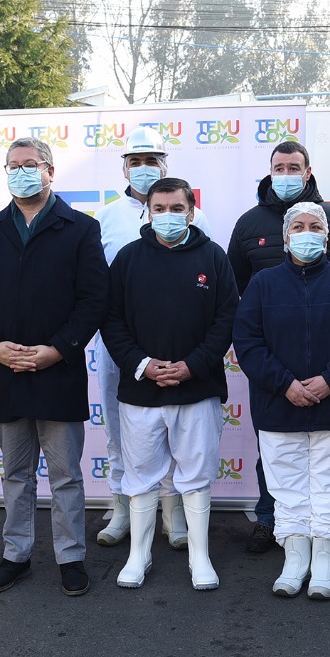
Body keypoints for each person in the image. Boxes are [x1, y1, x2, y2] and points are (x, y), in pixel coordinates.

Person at [0, 137, 108, 597]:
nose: (21, 171)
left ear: (49, 170)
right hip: (6, 370)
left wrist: (58, 349)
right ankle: (16, 554)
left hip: (58, 371)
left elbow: (93, 300)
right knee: (16, 472)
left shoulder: (80, 228)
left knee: (65, 474)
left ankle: (71, 557)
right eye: (13, 165)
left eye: (31, 164)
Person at [233, 203, 330, 599]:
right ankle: (295, 561)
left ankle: (326, 563)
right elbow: (248, 342)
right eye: (298, 226)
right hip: (279, 407)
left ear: (327, 237)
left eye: (315, 226)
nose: (306, 232)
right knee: (287, 486)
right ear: (285, 236)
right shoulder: (263, 284)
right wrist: (286, 384)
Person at [101, 177, 238, 590]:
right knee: (141, 477)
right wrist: (142, 364)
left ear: (192, 212)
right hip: (141, 392)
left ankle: (200, 557)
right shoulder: (127, 259)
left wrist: (193, 366)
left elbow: (226, 318)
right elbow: (111, 321)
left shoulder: (213, 257)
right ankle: (138, 557)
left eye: (176, 208)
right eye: (158, 209)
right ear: (147, 212)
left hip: (197, 390)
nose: (167, 216)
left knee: (195, 477)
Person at [226, 141, 330, 554]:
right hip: (271, 363)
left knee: (327, 458)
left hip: (327, 363)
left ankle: (325, 535)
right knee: (276, 449)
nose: (286, 173)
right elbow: (233, 289)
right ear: (269, 171)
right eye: (278, 167)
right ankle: (272, 520)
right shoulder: (249, 223)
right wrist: (268, 367)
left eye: (293, 167)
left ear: (308, 171)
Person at [93, 126, 212, 551]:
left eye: (151, 160)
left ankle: (173, 512)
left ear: (166, 164)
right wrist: (134, 357)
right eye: (135, 161)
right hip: (123, 347)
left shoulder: (195, 217)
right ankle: (122, 506)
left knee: (179, 436)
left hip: (181, 347)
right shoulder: (106, 216)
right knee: (119, 427)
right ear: (124, 166)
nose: (143, 169)